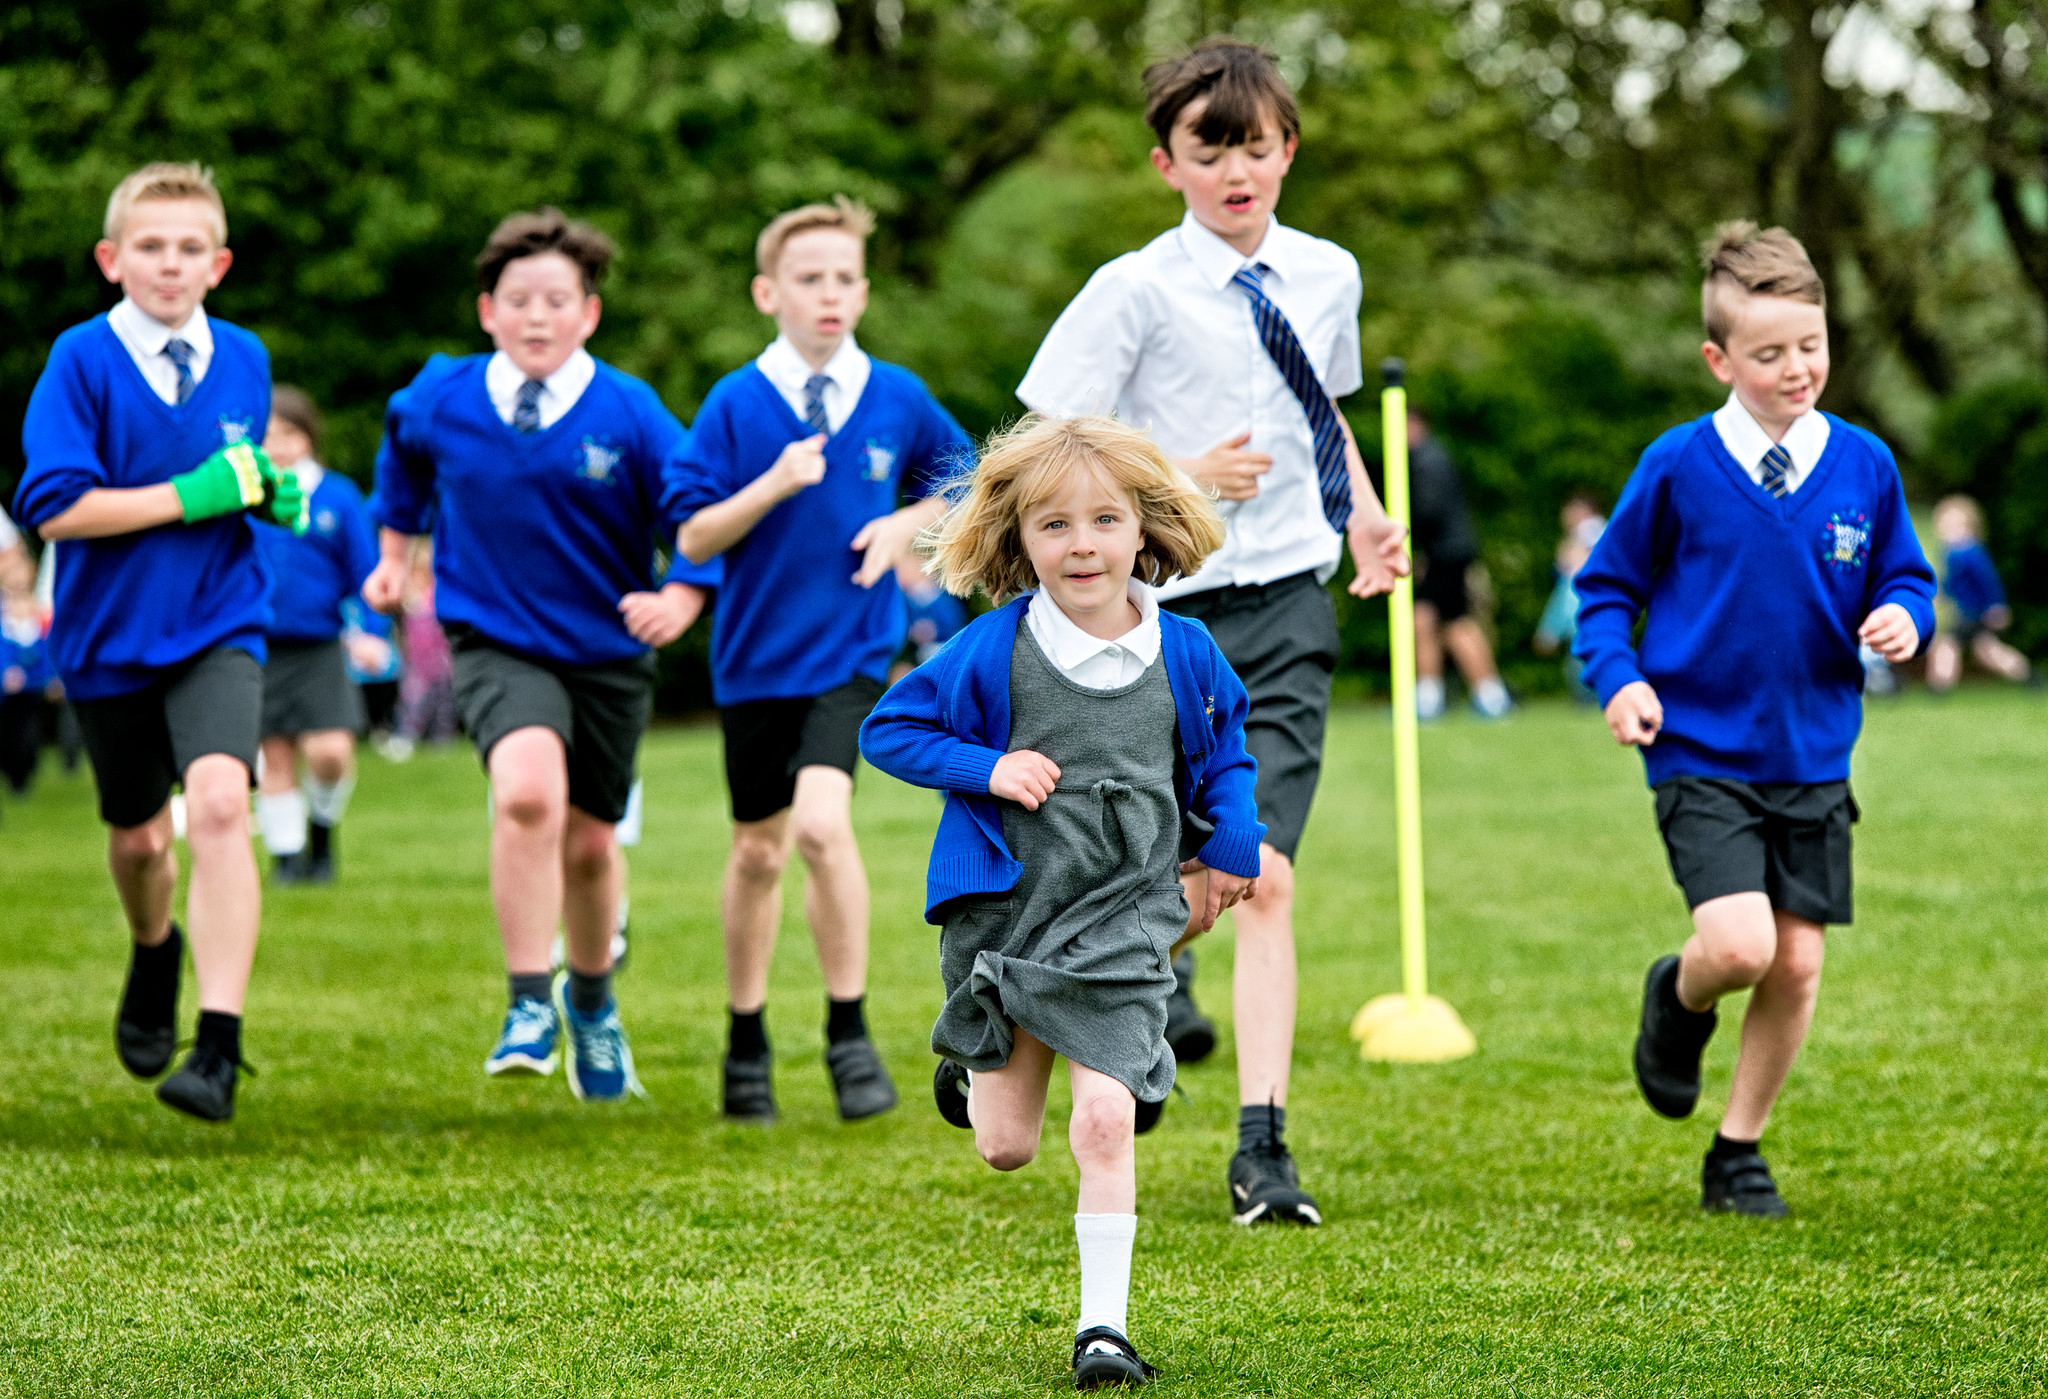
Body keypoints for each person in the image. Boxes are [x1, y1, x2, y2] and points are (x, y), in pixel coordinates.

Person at [1015, 38, 1408, 1226]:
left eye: (1255, 145)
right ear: (1166, 163)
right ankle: (1074, 986)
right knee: (1157, 870)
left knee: (1262, 873)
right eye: (1208, 148)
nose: (1236, 168)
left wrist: (1371, 517)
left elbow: (1317, 407)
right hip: (1156, 611)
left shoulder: (1325, 273)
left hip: (1288, 593)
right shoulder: (1132, 289)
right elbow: (1051, 439)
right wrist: (1174, 474)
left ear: (1286, 149)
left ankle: (1262, 1145)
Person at [860, 415, 1264, 1389]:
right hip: (1007, 920)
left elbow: (1226, 753)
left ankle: (1103, 1331)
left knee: (1103, 1123)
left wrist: (1236, 841)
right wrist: (987, 767)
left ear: (1142, 529)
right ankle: (973, 1069)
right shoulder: (989, 647)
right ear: (1017, 541)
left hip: (1126, 914)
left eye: (1102, 520)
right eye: (1052, 526)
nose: (1079, 543)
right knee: (1004, 1147)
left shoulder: (1188, 649)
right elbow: (890, 727)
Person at [1573, 223, 1935, 1218]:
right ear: (1717, 359)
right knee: (1737, 946)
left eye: (1808, 347)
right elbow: (1603, 589)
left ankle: (1736, 1149)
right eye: (1768, 353)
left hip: (1812, 751)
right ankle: (1675, 996)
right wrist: (1616, 678)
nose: (1794, 369)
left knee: (1799, 958)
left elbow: (1905, 570)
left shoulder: (1861, 463)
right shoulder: (1679, 463)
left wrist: (1906, 612)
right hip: (1696, 747)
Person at [364, 207, 715, 1102]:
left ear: (588, 314)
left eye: (556, 300)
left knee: (593, 845)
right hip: (490, 635)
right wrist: (391, 559)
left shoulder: (630, 412)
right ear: (488, 310)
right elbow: (401, 465)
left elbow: (695, 515)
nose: (536, 317)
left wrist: (680, 594)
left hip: (605, 650)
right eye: (518, 300)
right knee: (525, 794)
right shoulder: (441, 396)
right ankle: (528, 999)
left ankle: (592, 1005)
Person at [666, 196, 973, 1125]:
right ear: (769, 292)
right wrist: (773, 483)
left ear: (865, 290)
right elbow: (691, 533)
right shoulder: (732, 403)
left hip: (853, 653)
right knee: (756, 850)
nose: (829, 294)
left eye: (845, 278)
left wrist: (904, 522)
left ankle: (850, 1031)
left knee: (821, 827)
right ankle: (746, 1038)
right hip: (754, 662)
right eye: (810, 279)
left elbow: (966, 481)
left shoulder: (897, 395)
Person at [12, 161, 302, 1122]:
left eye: (189, 249)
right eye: (149, 246)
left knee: (221, 801)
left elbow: (235, 474)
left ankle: (218, 1044)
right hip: (105, 639)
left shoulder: (248, 358)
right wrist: (196, 495)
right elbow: (54, 508)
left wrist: (268, 494)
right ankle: (152, 946)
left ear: (218, 264)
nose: (169, 265)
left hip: (222, 620)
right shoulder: (79, 360)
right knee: (140, 839)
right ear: (111, 259)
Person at [253, 385, 392, 884]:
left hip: (320, 644)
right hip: (259, 644)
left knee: (330, 752)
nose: (280, 445)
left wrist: (374, 631)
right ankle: (287, 860)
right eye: (267, 435)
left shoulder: (337, 495)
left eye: (289, 433)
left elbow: (367, 570)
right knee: (275, 756)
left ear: (309, 437)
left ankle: (321, 830)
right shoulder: (247, 495)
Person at [1407, 411, 1512, 720]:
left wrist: (1407, 537)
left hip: (1445, 554)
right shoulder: (1433, 457)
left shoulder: (1427, 460)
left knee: (1452, 624)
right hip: (1447, 552)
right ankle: (1433, 696)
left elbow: (1428, 510)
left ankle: (1488, 696)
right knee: (1428, 621)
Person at [1926, 495, 2032, 692]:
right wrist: (1939, 595)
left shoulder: (1970, 552)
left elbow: (1988, 581)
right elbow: (1954, 584)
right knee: (1989, 651)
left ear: (1969, 526)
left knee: (1947, 645)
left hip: (1973, 612)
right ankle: (2028, 675)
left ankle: (1939, 688)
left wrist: (1996, 605)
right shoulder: (1951, 552)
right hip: (1968, 611)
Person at [1532, 491, 1605, 701]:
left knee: (1584, 653)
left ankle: (1591, 696)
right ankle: (1588, 697)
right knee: (1582, 653)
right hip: (1576, 601)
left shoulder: (1591, 530)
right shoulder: (1584, 534)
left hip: (1583, 600)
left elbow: (1572, 574)